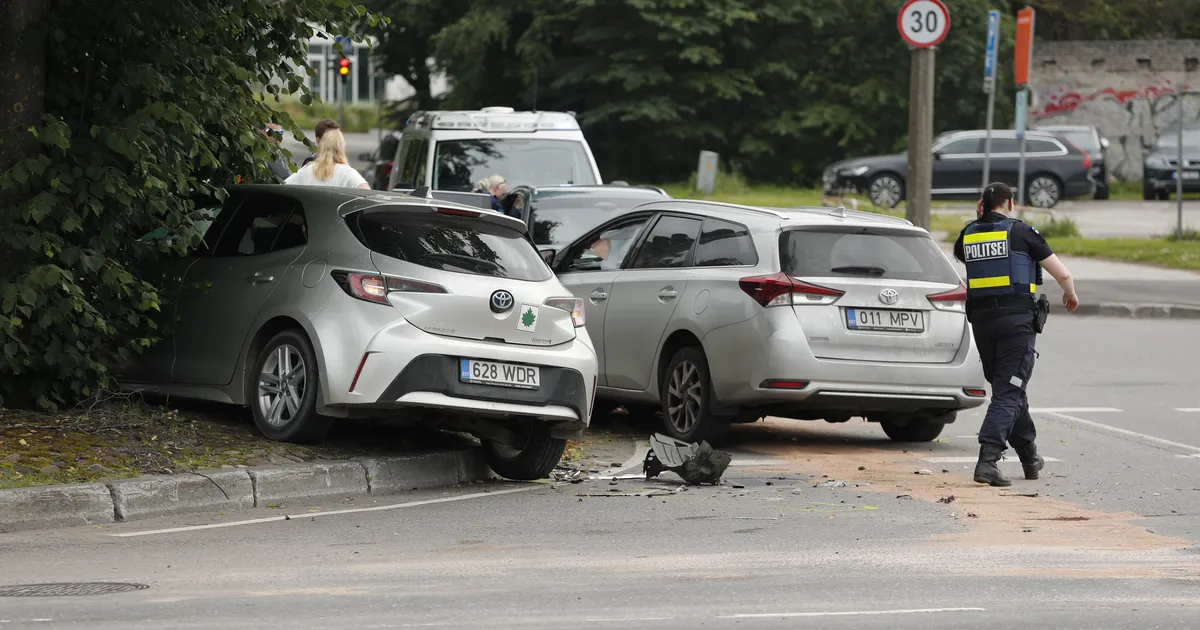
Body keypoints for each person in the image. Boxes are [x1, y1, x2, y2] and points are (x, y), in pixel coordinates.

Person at [953, 182, 1079, 487]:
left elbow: (962, 255)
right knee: (1009, 390)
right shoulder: (1021, 232)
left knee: (1009, 385)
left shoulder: (968, 234)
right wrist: (1070, 294)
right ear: (1010, 203)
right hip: (1015, 323)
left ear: (983, 205)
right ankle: (988, 459)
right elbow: (1062, 273)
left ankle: (1028, 455)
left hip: (983, 323)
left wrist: (979, 219)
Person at [284, 127, 370, 189]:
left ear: (322, 146)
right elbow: (367, 194)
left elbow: (283, 187)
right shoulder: (348, 173)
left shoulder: (308, 169)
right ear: (342, 147)